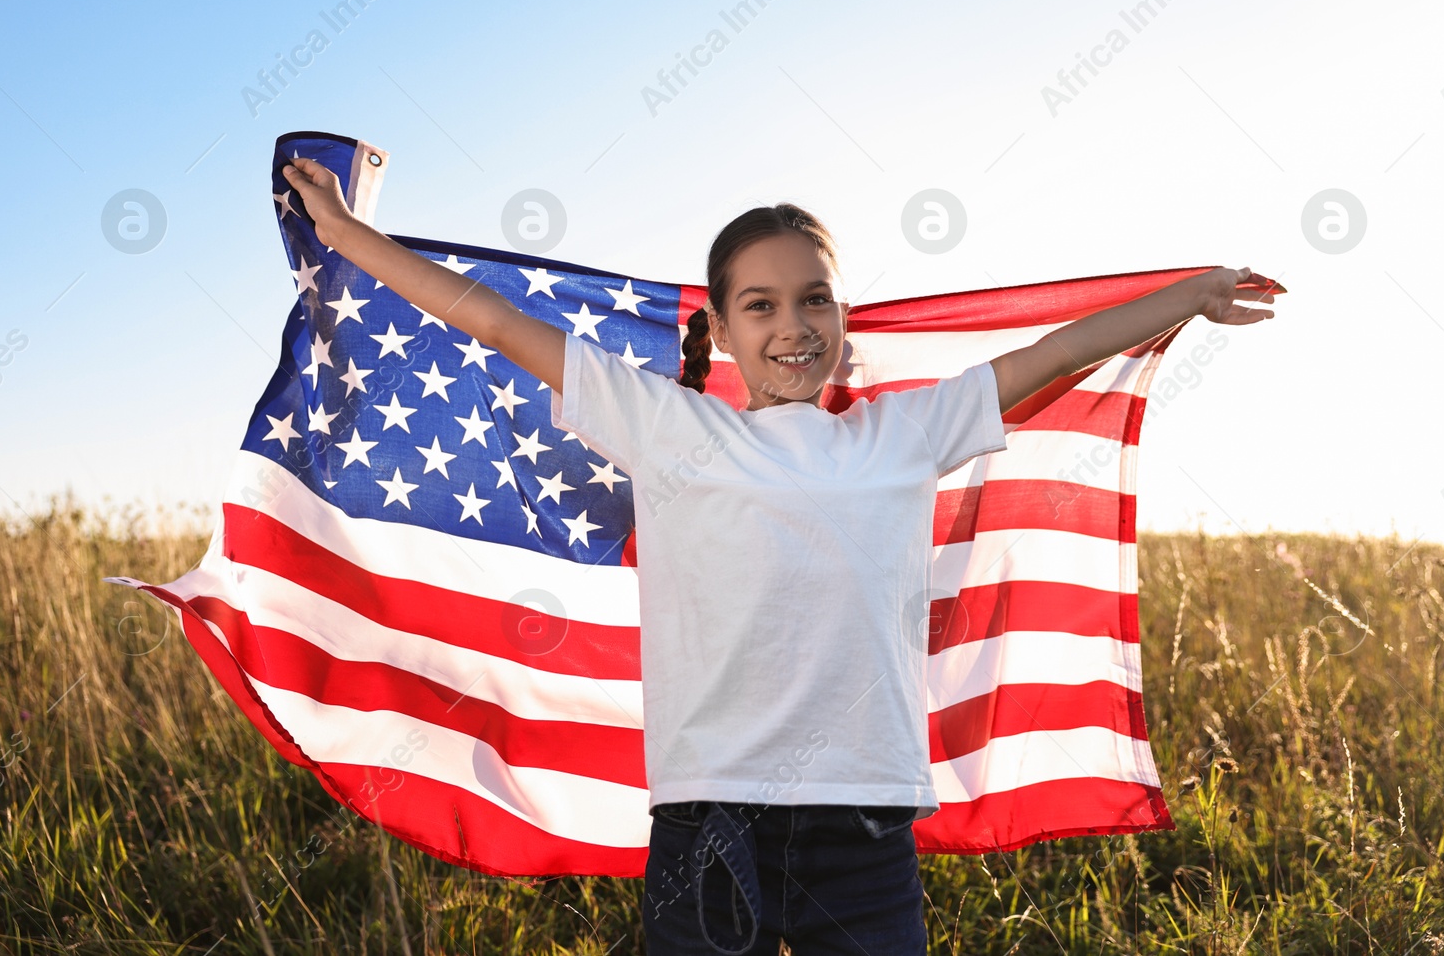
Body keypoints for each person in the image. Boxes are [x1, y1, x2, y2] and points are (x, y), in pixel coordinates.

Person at [282, 156, 1276, 955]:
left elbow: (1053, 355)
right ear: (716, 330)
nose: (791, 326)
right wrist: (346, 235)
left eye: (813, 301)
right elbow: (491, 319)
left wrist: (1188, 294)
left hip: (865, 820)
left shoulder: (902, 433)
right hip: (709, 819)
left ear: (843, 322)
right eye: (758, 305)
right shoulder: (666, 427)